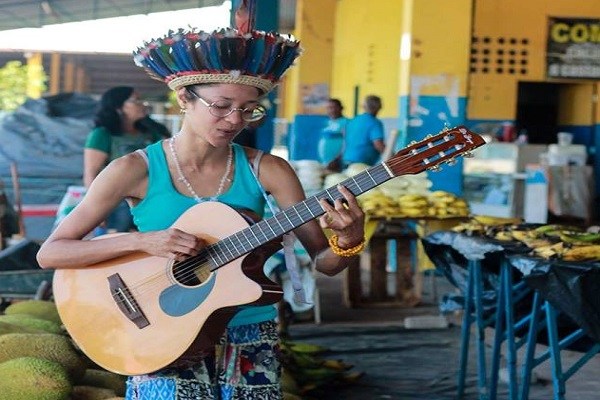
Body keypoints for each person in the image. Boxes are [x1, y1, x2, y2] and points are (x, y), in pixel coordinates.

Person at [37, 23, 366, 400]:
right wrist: (144, 241)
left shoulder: (269, 170)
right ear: (183, 99)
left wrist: (350, 240)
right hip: (158, 334)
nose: (235, 121)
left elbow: (324, 261)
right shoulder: (134, 169)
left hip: (249, 333)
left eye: (248, 110)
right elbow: (52, 252)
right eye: (221, 106)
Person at [84, 86, 168, 233]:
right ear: (119, 107)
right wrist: (95, 210)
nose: (142, 104)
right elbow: (91, 172)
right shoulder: (102, 134)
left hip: (150, 199)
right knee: (117, 245)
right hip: (117, 204)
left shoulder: (150, 133)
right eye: (136, 100)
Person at [341, 95, 386, 167]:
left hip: (346, 159)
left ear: (364, 107)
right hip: (361, 163)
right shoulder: (374, 122)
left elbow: (344, 138)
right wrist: (395, 157)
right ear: (379, 107)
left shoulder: (353, 120)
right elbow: (378, 144)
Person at [318, 98, 348, 166]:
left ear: (341, 108)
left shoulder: (346, 123)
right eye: (329, 108)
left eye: (334, 107)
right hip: (326, 162)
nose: (332, 110)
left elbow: (347, 143)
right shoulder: (328, 123)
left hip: (337, 163)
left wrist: (337, 159)